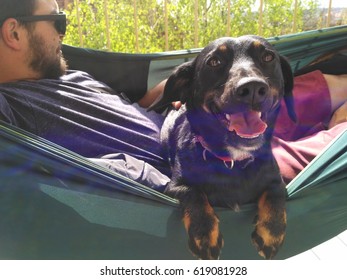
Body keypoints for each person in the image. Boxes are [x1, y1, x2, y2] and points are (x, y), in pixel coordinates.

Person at [0, 0, 347, 189]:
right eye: (57, 20)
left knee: (282, 85)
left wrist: (175, 91)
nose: (64, 34)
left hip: (200, 116)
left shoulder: (69, 73)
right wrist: (163, 183)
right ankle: (333, 128)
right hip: (204, 166)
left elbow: (132, 109)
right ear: (13, 33)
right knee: (334, 146)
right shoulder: (10, 106)